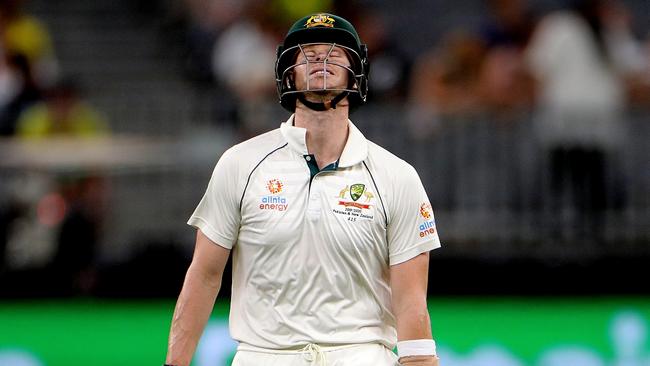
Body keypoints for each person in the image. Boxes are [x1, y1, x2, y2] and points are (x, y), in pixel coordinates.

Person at [165, 13, 441, 366]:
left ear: (356, 72)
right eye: (307, 54)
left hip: (360, 356)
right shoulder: (240, 164)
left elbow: (411, 302)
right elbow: (203, 276)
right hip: (264, 356)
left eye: (335, 54)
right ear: (288, 72)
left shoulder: (396, 176)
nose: (321, 61)